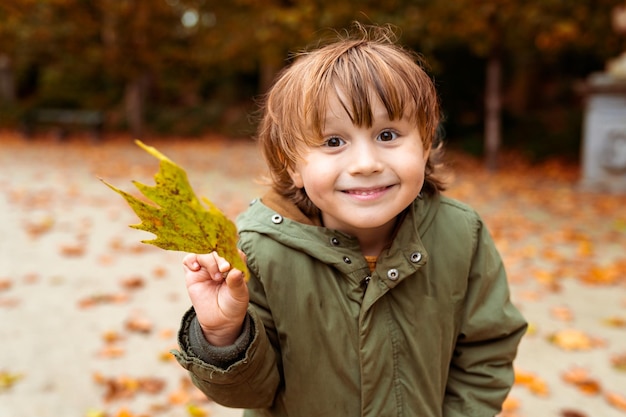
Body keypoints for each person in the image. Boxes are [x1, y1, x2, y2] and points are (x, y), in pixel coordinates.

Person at [174, 23, 527, 417]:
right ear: (292, 166)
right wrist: (224, 335)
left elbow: (487, 349)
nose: (365, 164)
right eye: (333, 142)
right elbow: (252, 395)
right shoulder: (258, 252)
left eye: (388, 135)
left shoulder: (462, 235)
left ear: (425, 144)